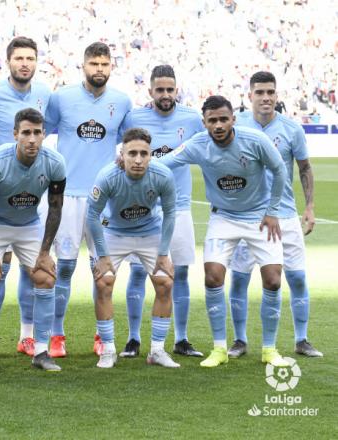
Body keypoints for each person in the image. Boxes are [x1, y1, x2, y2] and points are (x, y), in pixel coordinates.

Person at [159, 95, 289, 368]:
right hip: (223, 218)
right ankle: (219, 348)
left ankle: (269, 349)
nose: (218, 125)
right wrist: (132, 162)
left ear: (233, 119)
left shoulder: (254, 140)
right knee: (213, 276)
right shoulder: (198, 145)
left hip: (259, 217)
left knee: (274, 280)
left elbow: (279, 170)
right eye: (212, 120)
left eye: (223, 119)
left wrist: (273, 210)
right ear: (204, 122)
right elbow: (167, 162)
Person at [45, 41, 132, 357]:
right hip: (67, 196)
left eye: (104, 65)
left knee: (103, 270)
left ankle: (101, 335)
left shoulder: (122, 102)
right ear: (83, 65)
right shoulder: (62, 98)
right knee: (64, 267)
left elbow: (131, 143)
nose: (99, 70)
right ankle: (57, 335)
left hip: (105, 200)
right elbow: (40, 132)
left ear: (111, 67)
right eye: (94, 64)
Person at [228, 71, 322, 358]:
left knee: (296, 278)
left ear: (277, 95)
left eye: (270, 92)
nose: (266, 97)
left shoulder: (291, 129)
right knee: (241, 278)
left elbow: (304, 168)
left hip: (285, 215)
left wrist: (309, 207)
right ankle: (240, 340)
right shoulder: (236, 124)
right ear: (250, 96)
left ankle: (301, 339)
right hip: (247, 216)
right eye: (260, 92)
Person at [117, 65, 205, 359]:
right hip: (142, 207)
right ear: (150, 90)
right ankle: (133, 338)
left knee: (178, 272)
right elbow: (120, 150)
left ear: (176, 89)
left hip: (178, 208)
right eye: (160, 90)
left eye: (170, 89)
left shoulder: (192, 119)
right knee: (137, 272)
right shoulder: (135, 117)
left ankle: (181, 338)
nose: (165, 95)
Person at [0, 108, 66, 373]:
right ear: (15, 134)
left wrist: (45, 252)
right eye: (26, 133)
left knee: (46, 276)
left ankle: (41, 350)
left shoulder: (55, 162)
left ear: (44, 134)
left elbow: (56, 207)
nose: (32, 139)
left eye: (37, 133)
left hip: (29, 225)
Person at [0, 36, 52, 356]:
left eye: (30, 58)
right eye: (19, 58)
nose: (25, 63)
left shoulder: (46, 94)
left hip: (31, 195)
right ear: (8, 61)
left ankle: (27, 336)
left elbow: (51, 129)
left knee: (31, 269)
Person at [87, 128, 179, 369]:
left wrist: (163, 253)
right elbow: (92, 215)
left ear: (151, 155)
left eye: (143, 154)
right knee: (103, 282)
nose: (138, 160)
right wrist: (103, 255)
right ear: (122, 154)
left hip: (150, 233)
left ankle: (157, 351)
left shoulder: (163, 175)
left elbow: (170, 214)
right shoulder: (108, 176)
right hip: (114, 233)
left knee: (166, 282)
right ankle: (107, 350)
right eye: (132, 154)